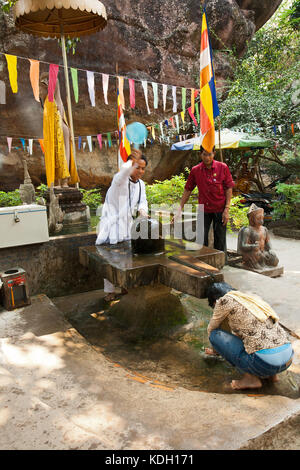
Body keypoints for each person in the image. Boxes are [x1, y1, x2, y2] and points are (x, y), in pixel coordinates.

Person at [205, 282, 294, 390]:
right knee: (259, 338)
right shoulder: (249, 299)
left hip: (265, 363)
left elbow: (211, 328)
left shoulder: (223, 301)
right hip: (287, 358)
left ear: (215, 300)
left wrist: (216, 349)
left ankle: (250, 379)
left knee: (215, 334)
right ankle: (272, 376)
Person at [96, 149, 148, 301]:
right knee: (110, 259)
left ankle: (125, 287)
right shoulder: (119, 181)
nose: (140, 171)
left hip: (127, 225)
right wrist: (129, 165)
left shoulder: (141, 185)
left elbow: (142, 200)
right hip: (111, 226)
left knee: (127, 257)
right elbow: (122, 175)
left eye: (143, 168)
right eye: (137, 167)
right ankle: (110, 291)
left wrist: (142, 210)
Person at [174, 146, 235, 253]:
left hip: (220, 208)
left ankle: (221, 265)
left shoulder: (222, 167)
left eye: (210, 154)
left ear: (214, 154)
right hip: (203, 210)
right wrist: (180, 208)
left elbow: (229, 188)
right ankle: (204, 262)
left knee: (220, 240)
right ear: (200, 154)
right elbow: (188, 190)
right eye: (204, 154)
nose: (207, 157)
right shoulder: (195, 170)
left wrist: (227, 209)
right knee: (201, 239)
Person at [39, 72, 79, 188]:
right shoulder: (54, 103)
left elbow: (56, 113)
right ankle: (63, 182)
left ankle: (61, 181)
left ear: (46, 86)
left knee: (59, 152)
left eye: (40, 90)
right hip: (63, 124)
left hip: (59, 126)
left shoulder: (50, 102)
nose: (39, 93)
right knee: (65, 152)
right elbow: (60, 106)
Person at [238, 203, 279, 270]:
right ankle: (255, 264)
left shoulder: (264, 229)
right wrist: (253, 246)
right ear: (252, 219)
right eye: (258, 218)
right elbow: (242, 246)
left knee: (274, 259)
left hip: (262, 252)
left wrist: (270, 249)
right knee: (256, 253)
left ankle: (263, 262)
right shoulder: (247, 230)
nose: (261, 220)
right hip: (252, 253)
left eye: (262, 217)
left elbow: (268, 242)